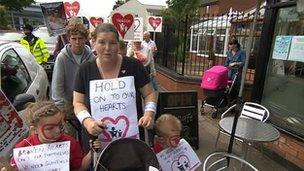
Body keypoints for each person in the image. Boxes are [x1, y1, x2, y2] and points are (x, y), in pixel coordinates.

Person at [73, 23, 157, 144]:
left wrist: (149, 113)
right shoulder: (85, 70)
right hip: (97, 140)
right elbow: (78, 102)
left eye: (112, 43)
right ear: (94, 43)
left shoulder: (134, 65)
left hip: (132, 139)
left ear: (118, 44)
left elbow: (149, 94)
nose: (107, 48)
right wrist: (88, 122)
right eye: (102, 42)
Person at [10, 101, 101, 170]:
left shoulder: (70, 142)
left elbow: (80, 167)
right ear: (34, 130)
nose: (58, 131)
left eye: (60, 125)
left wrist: (91, 153)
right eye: (50, 128)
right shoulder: (23, 148)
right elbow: (14, 167)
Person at [51, 22, 94, 145]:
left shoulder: (91, 57)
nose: (77, 42)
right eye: (73, 39)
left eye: (80, 38)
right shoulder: (62, 57)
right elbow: (57, 84)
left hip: (85, 102)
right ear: (69, 39)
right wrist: (60, 108)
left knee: (88, 134)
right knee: (69, 137)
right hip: (68, 103)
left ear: (85, 39)